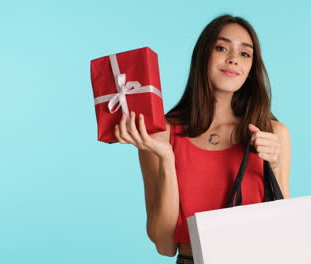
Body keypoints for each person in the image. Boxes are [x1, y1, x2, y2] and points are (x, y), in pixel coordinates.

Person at [114, 14, 291, 264]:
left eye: (245, 54)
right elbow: (164, 244)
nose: (233, 59)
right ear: (202, 57)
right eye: (221, 48)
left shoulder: (272, 133)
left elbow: (285, 229)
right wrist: (166, 159)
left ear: (252, 67)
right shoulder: (161, 132)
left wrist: (272, 164)